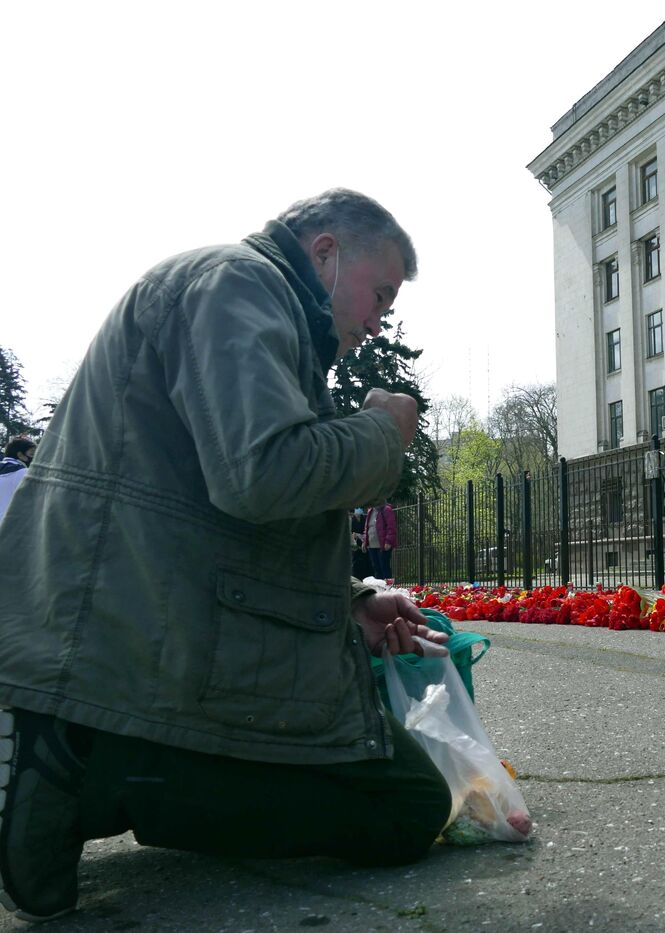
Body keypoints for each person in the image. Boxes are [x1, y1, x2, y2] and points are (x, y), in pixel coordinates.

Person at [0, 189, 454, 923]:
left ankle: (97, 769)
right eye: (380, 294)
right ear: (326, 253)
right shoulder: (236, 285)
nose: (377, 322)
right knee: (404, 805)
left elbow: (218, 514)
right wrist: (383, 433)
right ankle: (82, 762)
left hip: (154, 626)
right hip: (129, 641)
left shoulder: (254, 300)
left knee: (407, 804)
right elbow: (261, 472)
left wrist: (350, 602)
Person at [0, 436, 36, 526]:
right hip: (12, 529)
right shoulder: (27, 474)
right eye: (32, 454)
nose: (34, 458)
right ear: (20, 455)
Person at [366, 501, 397, 580]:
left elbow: (391, 527)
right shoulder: (370, 511)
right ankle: (380, 589)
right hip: (372, 545)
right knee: (376, 568)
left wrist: (388, 541)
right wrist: (365, 541)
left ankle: (388, 588)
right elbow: (367, 527)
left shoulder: (387, 510)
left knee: (384, 567)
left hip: (383, 545)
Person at [350, 507, 374, 580]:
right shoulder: (352, 521)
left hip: (364, 546)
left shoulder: (365, 519)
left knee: (367, 564)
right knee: (356, 565)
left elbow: (367, 531)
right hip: (355, 547)